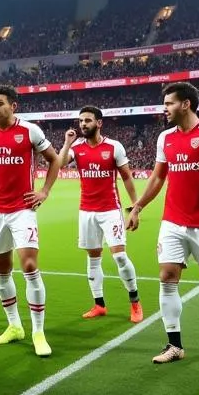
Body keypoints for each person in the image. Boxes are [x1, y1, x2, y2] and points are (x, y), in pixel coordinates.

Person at [126, 82, 199, 363]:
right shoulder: (165, 138)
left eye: (169, 104)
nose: (165, 109)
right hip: (173, 220)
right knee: (166, 278)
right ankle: (174, 344)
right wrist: (138, 205)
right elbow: (158, 177)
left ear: (185, 104)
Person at [0, 86, 61, 356]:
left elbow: (54, 159)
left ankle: (38, 331)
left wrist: (44, 191)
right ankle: (14, 326)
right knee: (2, 270)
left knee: (30, 266)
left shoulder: (30, 131)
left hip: (23, 209)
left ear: (14, 106)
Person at [58, 107, 143, 323]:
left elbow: (126, 178)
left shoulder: (114, 147)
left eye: (87, 120)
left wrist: (135, 207)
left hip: (110, 211)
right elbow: (58, 164)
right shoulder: (76, 148)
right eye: (80, 121)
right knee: (93, 259)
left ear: (99, 123)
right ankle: (99, 304)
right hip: (86, 211)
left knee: (120, 256)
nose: (83, 124)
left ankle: (135, 302)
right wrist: (67, 142)